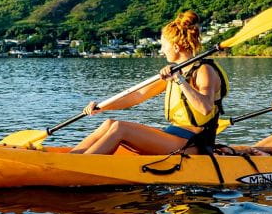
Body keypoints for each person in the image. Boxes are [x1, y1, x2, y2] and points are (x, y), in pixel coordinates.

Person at [70, 11, 228, 155]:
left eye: (163, 45)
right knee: (110, 123)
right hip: (173, 135)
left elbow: (205, 108)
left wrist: (179, 80)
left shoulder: (204, 70)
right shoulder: (175, 71)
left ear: (175, 47)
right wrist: (101, 107)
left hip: (194, 143)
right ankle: (69, 159)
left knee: (121, 128)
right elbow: (138, 95)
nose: (162, 50)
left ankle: (80, 166)